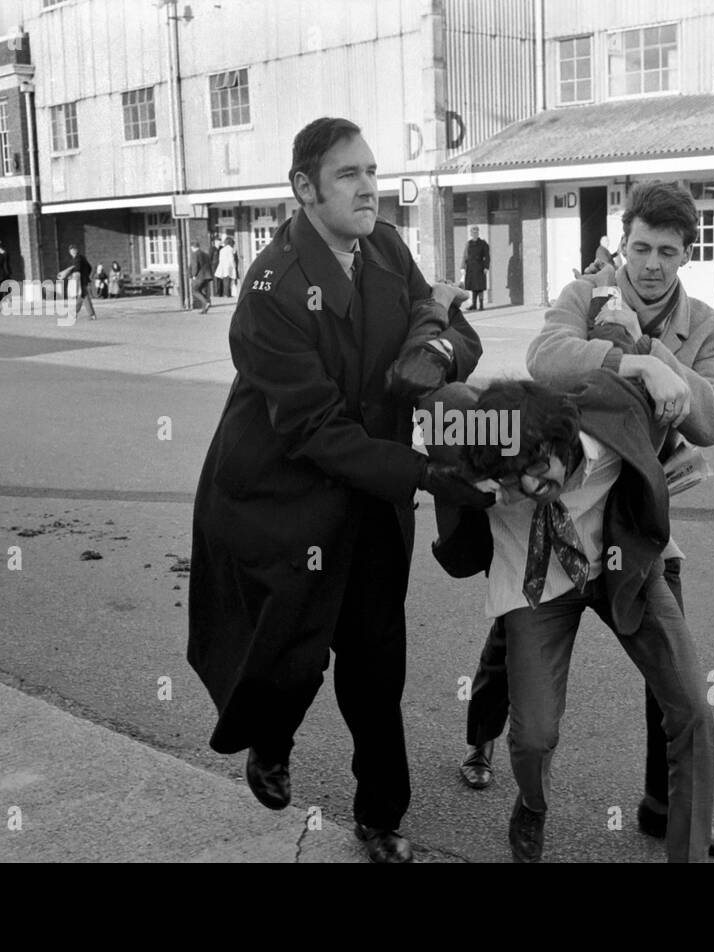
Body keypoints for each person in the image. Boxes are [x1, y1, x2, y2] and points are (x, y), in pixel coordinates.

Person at [186, 116, 489, 864]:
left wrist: (437, 351)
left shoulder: (385, 246)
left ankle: (380, 817)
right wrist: (426, 473)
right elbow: (315, 430)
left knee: (376, 667)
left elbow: (450, 332)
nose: (369, 187)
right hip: (288, 498)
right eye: (349, 174)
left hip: (373, 499)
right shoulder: (271, 290)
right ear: (304, 189)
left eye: (373, 171)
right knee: (292, 655)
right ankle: (271, 741)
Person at [456, 180, 714, 857]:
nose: (649, 265)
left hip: (635, 533)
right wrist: (631, 359)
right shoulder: (585, 295)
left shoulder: (707, 328)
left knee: (686, 701)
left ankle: (673, 823)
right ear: (622, 241)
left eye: (666, 252)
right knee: (523, 690)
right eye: (639, 247)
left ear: (684, 257)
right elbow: (546, 359)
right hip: (545, 524)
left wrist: (660, 355)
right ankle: (501, 761)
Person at [430, 374, 714, 863]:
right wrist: (467, 474)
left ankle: (687, 851)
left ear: (563, 442)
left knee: (693, 711)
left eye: (540, 466)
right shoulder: (482, 451)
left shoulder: (616, 427)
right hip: (535, 584)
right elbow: (436, 400)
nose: (531, 486)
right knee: (534, 736)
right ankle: (531, 806)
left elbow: (636, 377)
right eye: (513, 478)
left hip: (620, 566)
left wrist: (646, 359)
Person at [57, 244, 96, 321]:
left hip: (80, 281)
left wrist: (70, 274)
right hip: (84, 280)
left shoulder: (77, 258)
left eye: (73, 250)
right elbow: (89, 267)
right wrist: (86, 276)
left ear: (76, 250)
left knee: (82, 298)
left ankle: (76, 315)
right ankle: (91, 315)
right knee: (83, 297)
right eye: (71, 251)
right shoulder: (82, 257)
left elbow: (77, 269)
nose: (72, 252)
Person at [461, 225, 490, 311]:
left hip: (480, 267)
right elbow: (465, 255)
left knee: (480, 287)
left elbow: (487, 256)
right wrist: (463, 267)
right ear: (471, 233)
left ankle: (481, 305)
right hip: (470, 267)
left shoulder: (483, 243)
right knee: (473, 287)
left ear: (478, 233)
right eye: (473, 232)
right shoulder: (468, 243)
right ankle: (474, 305)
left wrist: (486, 267)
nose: (474, 234)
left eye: (476, 232)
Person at [188, 240, 213, 313]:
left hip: (199, 276)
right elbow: (209, 264)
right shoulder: (205, 254)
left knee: (194, 291)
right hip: (207, 276)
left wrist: (193, 275)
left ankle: (206, 302)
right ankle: (204, 309)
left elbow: (195, 265)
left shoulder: (195, 254)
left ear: (192, 247)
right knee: (201, 291)